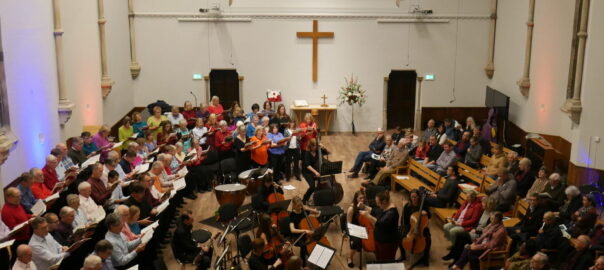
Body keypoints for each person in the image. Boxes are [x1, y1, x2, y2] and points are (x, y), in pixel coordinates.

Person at [442, 196, 498, 264]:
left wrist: (476, 231)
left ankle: (454, 257)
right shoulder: (485, 211)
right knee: (460, 238)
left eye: (484, 203)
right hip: (475, 231)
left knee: (461, 236)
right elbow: (477, 222)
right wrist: (474, 228)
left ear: (488, 205)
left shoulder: (493, 216)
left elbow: (489, 230)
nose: (482, 204)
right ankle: (454, 256)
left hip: (481, 236)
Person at [361, 191, 400, 261]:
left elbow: (379, 223)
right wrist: (364, 207)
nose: (377, 205)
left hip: (387, 243)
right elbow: (375, 211)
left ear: (384, 201)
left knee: (385, 261)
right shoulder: (385, 207)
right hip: (380, 240)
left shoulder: (391, 213)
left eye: (378, 203)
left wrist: (367, 215)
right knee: (379, 259)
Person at [288, 196, 321, 263]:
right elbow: (292, 229)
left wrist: (308, 209)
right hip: (297, 234)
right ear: (294, 205)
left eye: (301, 205)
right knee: (303, 246)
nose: (300, 208)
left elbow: (318, 213)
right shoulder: (292, 215)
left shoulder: (304, 211)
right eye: (298, 206)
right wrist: (304, 230)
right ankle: (303, 262)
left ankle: (318, 256)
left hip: (307, 233)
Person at [346, 190, 369, 268]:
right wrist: (356, 230)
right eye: (360, 198)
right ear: (356, 199)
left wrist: (364, 207)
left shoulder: (364, 206)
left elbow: (370, 212)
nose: (362, 200)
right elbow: (348, 223)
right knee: (357, 240)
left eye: (363, 198)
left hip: (362, 226)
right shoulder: (351, 209)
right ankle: (349, 257)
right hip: (352, 227)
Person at [301, 138, 323, 203]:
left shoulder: (317, 151)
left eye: (316, 146)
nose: (315, 147)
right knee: (312, 186)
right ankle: (305, 199)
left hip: (316, 170)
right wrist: (316, 172)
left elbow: (329, 153)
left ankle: (319, 198)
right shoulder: (306, 153)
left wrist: (323, 147)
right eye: (314, 146)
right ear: (310, 146)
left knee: (321, 183)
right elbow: (308, 166)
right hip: (307, 172)